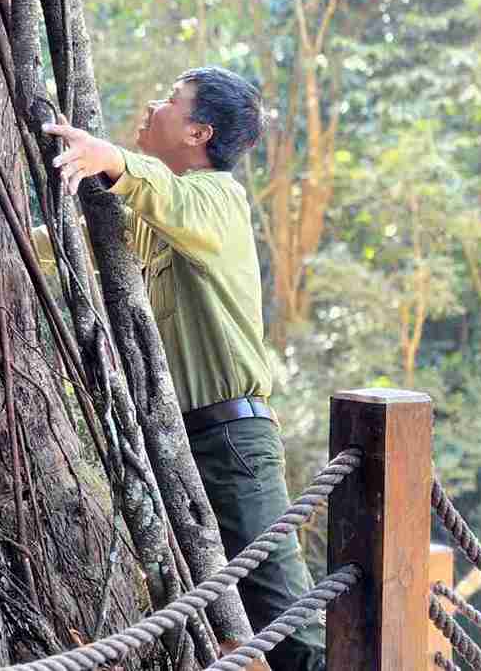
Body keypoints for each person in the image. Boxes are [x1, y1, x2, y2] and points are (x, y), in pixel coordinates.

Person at [42, 66, 323, 671]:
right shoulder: (159, 218)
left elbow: (165, 195)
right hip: (178, 440)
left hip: (230, 441)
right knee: (200, 616)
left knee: (283, 619)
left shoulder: (217, 199)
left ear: (199, 133)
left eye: (171, 99)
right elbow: (75, 243)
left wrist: (108, 157)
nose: (154, 105)